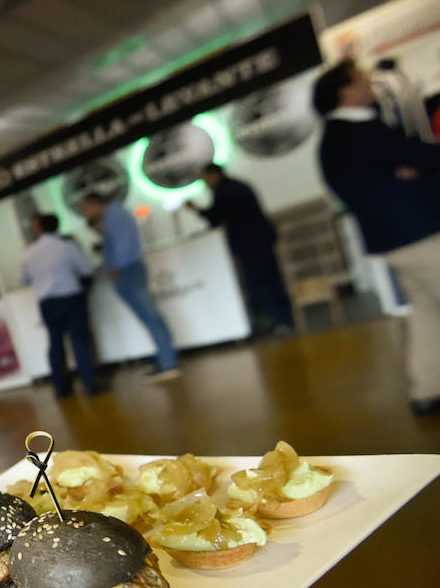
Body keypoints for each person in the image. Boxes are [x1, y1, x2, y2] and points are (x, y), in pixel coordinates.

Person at [313, 59, 440, 416]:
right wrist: (414, 172)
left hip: (395, 240)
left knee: (426, 311)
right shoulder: (359, 131)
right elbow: (417, 156)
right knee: (427, 309)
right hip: (419, 232)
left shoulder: (334, 140)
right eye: (359, 80)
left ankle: (427, 388)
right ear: (344, 92)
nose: (369, 83)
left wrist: (409, 171)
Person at [78, 193, 180, 380]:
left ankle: (168, 363)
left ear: (94, 203)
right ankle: (166, 359)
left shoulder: (114, 215)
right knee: (151, 317)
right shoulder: (115, 215)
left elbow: (123, 245)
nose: (84, 213)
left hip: (128, 272)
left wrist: (116, 268)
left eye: (84, 208)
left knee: (150, 318)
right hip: (129, 271)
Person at [184, 164, 295, 336]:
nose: (205, 184)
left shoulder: (225, 192)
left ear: (214, 175)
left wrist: (196, 210)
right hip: (260, 240)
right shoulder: (238, 186)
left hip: (250, 245)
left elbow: (216, 217)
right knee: (271, 282)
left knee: (260, 284)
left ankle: (280, 321)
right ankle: (285, 319)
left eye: (205, 179)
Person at [20, 214, 102, 398]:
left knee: (55, 343)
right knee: (79, 341)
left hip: (47, 302)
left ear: (39, 227)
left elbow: (24, 279)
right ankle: (89, 384)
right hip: (71, 297)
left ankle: (61, 387)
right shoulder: (67, 246)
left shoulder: (30, 252)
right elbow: (87, 269)